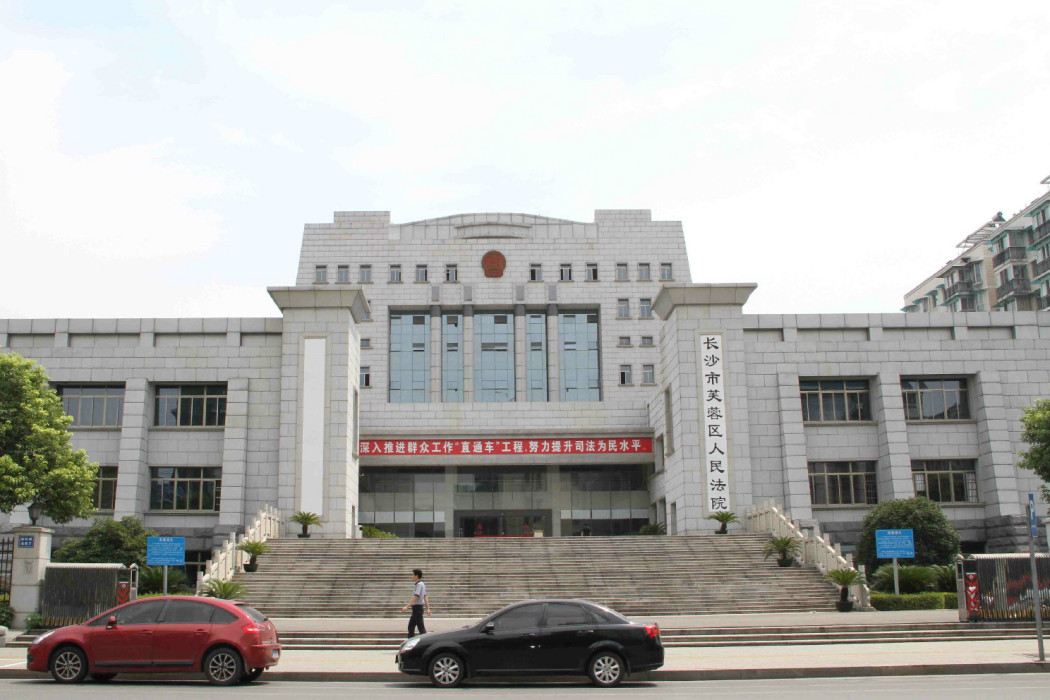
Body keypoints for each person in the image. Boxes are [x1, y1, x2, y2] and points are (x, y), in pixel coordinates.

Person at [400, 568, 430, 637]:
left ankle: (424, 643)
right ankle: (411, 642)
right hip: (417, 608)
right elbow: (425, 596)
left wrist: (407, 606)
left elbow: (416, 596)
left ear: (416, 576)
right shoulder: (421, 584)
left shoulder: (419, 584)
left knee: (420, 628)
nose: (412, 576)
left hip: (417, 608)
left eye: (413, 575)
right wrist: (427, 608)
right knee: (411, 626)